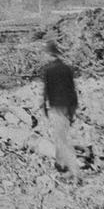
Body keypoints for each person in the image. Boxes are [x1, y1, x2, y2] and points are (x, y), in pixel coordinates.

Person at [39, 40, 80, 174]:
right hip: (68, 105)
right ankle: (60, 164)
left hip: (56, 107)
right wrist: (73, 110)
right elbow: (73, 90)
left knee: (60, 137)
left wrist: (43, 108)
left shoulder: (48, 70)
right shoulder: (67, 68)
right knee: (61, 134)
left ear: (49, 54)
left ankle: (74, 168)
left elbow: (46, 92)